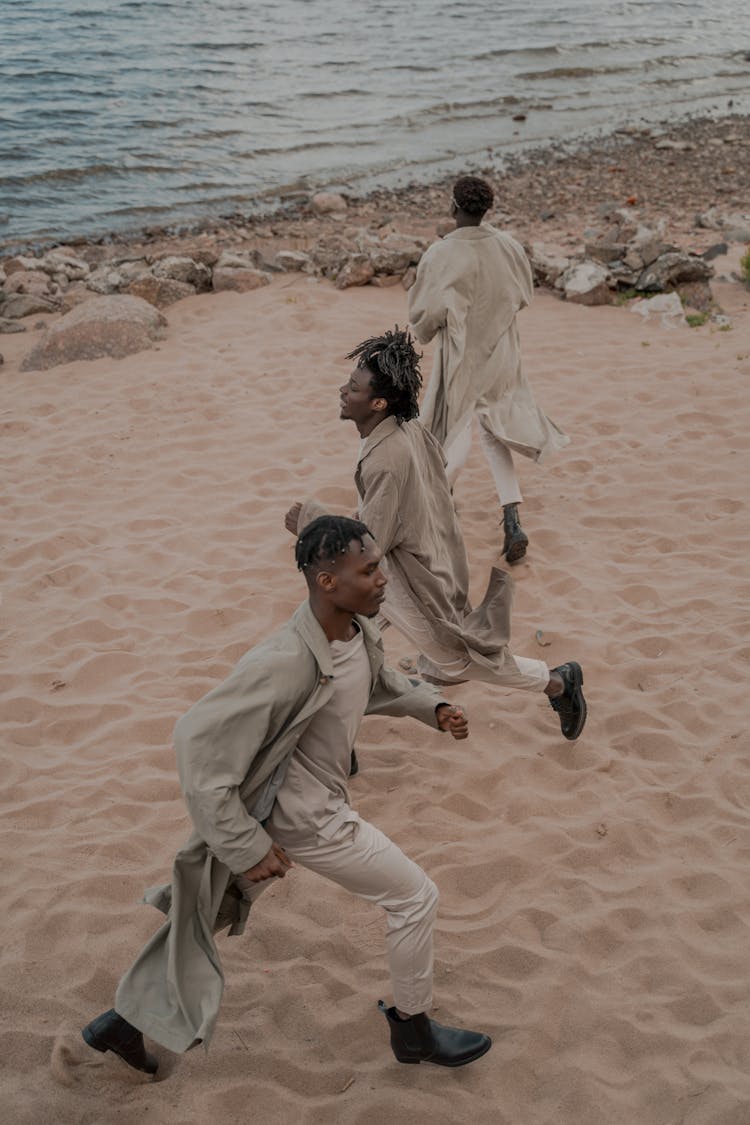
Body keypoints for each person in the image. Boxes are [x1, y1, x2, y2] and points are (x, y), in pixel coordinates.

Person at [81, 515, 492, 1075]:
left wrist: (432, 708)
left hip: (289, 805)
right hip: (308, 819)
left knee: (211, 914)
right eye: (369, 570)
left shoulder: (354, 630)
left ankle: (119, 1025)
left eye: (380, 568)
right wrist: (247, 845)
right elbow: (195, 746)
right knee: (415, 898)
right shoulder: (284, 662)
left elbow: (376, 682)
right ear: (327, 582)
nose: (382, 580)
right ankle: (414, 1030)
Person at [286, 328, 586, 742]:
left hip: (408, 583)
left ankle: (557, 682)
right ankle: (334, 738)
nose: (343, 391)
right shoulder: (405, 429)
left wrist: (311, 520)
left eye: (353, 388)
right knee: (333, 644)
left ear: (378, 402)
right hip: (417, 563)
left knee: (455, 661)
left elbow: (369, 544)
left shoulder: (386, 457)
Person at [407, 174, 569, 564]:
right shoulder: (509, 246)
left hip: (462, 353)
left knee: (456, 427)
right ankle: (512, 517)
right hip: (500, 350)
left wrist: (431, 330)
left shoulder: (440, 254)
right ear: (486, 210)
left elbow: (425, 316)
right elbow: (524, 295)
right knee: (492, 430)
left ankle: (435, 506)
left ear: (453, 207)